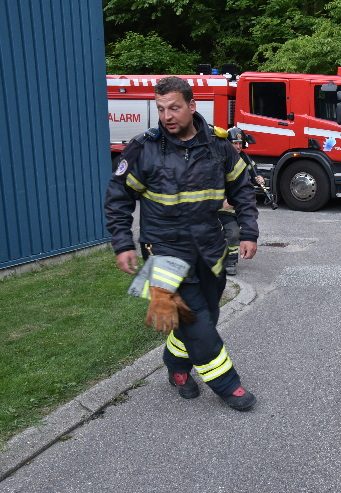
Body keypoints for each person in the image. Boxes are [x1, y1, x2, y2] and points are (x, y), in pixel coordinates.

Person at [105, 76, 259, 411]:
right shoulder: (143, 148)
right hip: (162, 254)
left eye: (174, 107)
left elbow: (243, 191)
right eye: (161, 109)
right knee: (197, 324)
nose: (167, 116)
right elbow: (118, 198)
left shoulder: (218, 147)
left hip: (209, 251)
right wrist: (122, 242)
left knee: (205, 316)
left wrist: (248, 231)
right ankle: (228, 385)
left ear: (192, 106)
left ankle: (176, 368)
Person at [220, 127, 266, 276]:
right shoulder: (221, 158)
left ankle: (230, 261)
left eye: (240, 143)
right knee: (225, 233)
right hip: (219, 206)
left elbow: (252, 173)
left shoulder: (245, 158)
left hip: (235, 207)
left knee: (233, 233)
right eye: (235, 143)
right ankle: (223, 260)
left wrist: (258, 178)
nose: (238, 146)